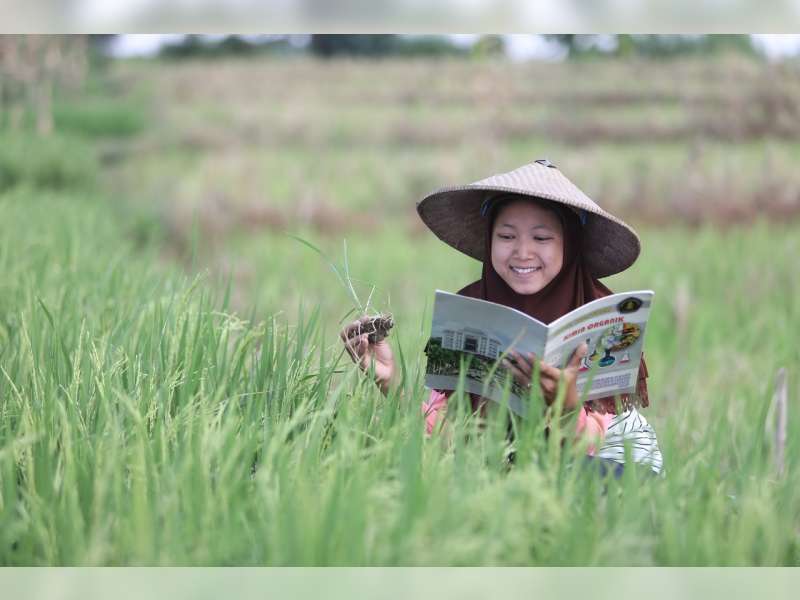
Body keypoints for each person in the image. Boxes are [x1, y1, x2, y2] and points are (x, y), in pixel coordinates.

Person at [341, 159, 662, 475]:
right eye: (506, 237)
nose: (522, 252)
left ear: (570, 244)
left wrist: (566, 407)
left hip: (612, 464)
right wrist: (391, 383)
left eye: (541, 238)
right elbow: (451, 438)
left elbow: (593, 442)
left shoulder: (601, 313)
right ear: (489, 240)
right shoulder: (471, 309)